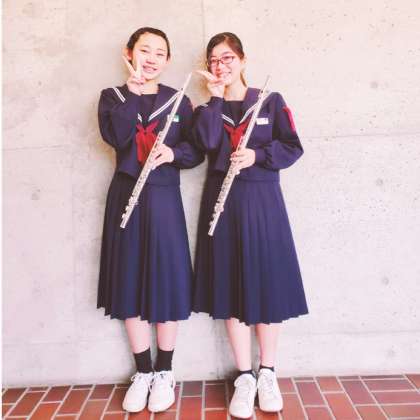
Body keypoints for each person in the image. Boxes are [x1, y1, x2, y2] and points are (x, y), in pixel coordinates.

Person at [193, 32, 309, 419]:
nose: (221, 65)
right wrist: (214, 98)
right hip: (222, 202)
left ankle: (268, 372)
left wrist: (257, 156)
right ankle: (244, 376)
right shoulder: (206, 108)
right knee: (230, 283)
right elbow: (207, 143)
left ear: (242, 60)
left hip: (263, 201)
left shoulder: (270, 101)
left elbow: (292, 146)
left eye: (227, 58)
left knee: (266, 283)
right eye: (214, 60)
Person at [97, 27, 203, 413]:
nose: (152, 58)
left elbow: (196, 150)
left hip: (163, 197)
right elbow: (116, 136)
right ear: (129, 53)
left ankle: (165, 371)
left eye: (160, 53)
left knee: (167, 280)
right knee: (128, 279)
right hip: (126, 194)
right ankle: (142, 372)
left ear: (168, 60)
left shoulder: (179, 100)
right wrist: (132, 93)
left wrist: (173, 155)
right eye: (145, 50)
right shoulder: (113, 97)